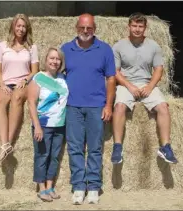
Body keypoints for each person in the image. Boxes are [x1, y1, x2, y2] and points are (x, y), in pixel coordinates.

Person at [61, 13, 116, 205]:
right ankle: (78, 186)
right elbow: (55, 75)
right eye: (82, 27)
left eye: (89, 28)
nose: (86, 31)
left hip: (96, 106)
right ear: (76, 27)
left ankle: (93, 186)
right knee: (75, 148)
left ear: (95, 28)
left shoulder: (105, 49)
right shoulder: (65, 49)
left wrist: (108, 105)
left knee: (94, 148)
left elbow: (111, 79)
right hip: (72, 106)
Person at [111, 12, 178, 165]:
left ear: (145, 28)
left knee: (163, 107)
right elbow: (115, 72)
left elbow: (159, 70)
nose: (137, 29)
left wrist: (149, 87)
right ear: (129, 26)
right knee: (119, 106)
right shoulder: (118, 46)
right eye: (134, 25)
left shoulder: (153, 46)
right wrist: (130, 86)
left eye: (140, 26)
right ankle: (117, 147)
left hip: (147, 83)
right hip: (126, 84)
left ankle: (165, 147)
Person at [0, 14, 39, 162]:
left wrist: (25, 80)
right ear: (13, 26)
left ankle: (9, 143)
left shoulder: (32, 48)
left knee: (17, 98)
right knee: (0, 99)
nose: (21, 29)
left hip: (23, 83)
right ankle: (4, 144)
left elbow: (35, 71)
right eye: (18, 25)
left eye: (24, 26)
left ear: (27, 28)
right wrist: (2, 84)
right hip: (6, 82)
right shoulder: (2, 46)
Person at [27, 47, 68, 202]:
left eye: (57, 59)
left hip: (60, 124)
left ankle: (50, 186)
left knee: (54, 156)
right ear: (46, 60)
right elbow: (31, 103)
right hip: (43, 125)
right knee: (42, 156)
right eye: (52, 58)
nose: (54, 61)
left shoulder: (63, 78)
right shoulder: (38, 78)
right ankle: (41, 188)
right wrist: (37, 126)